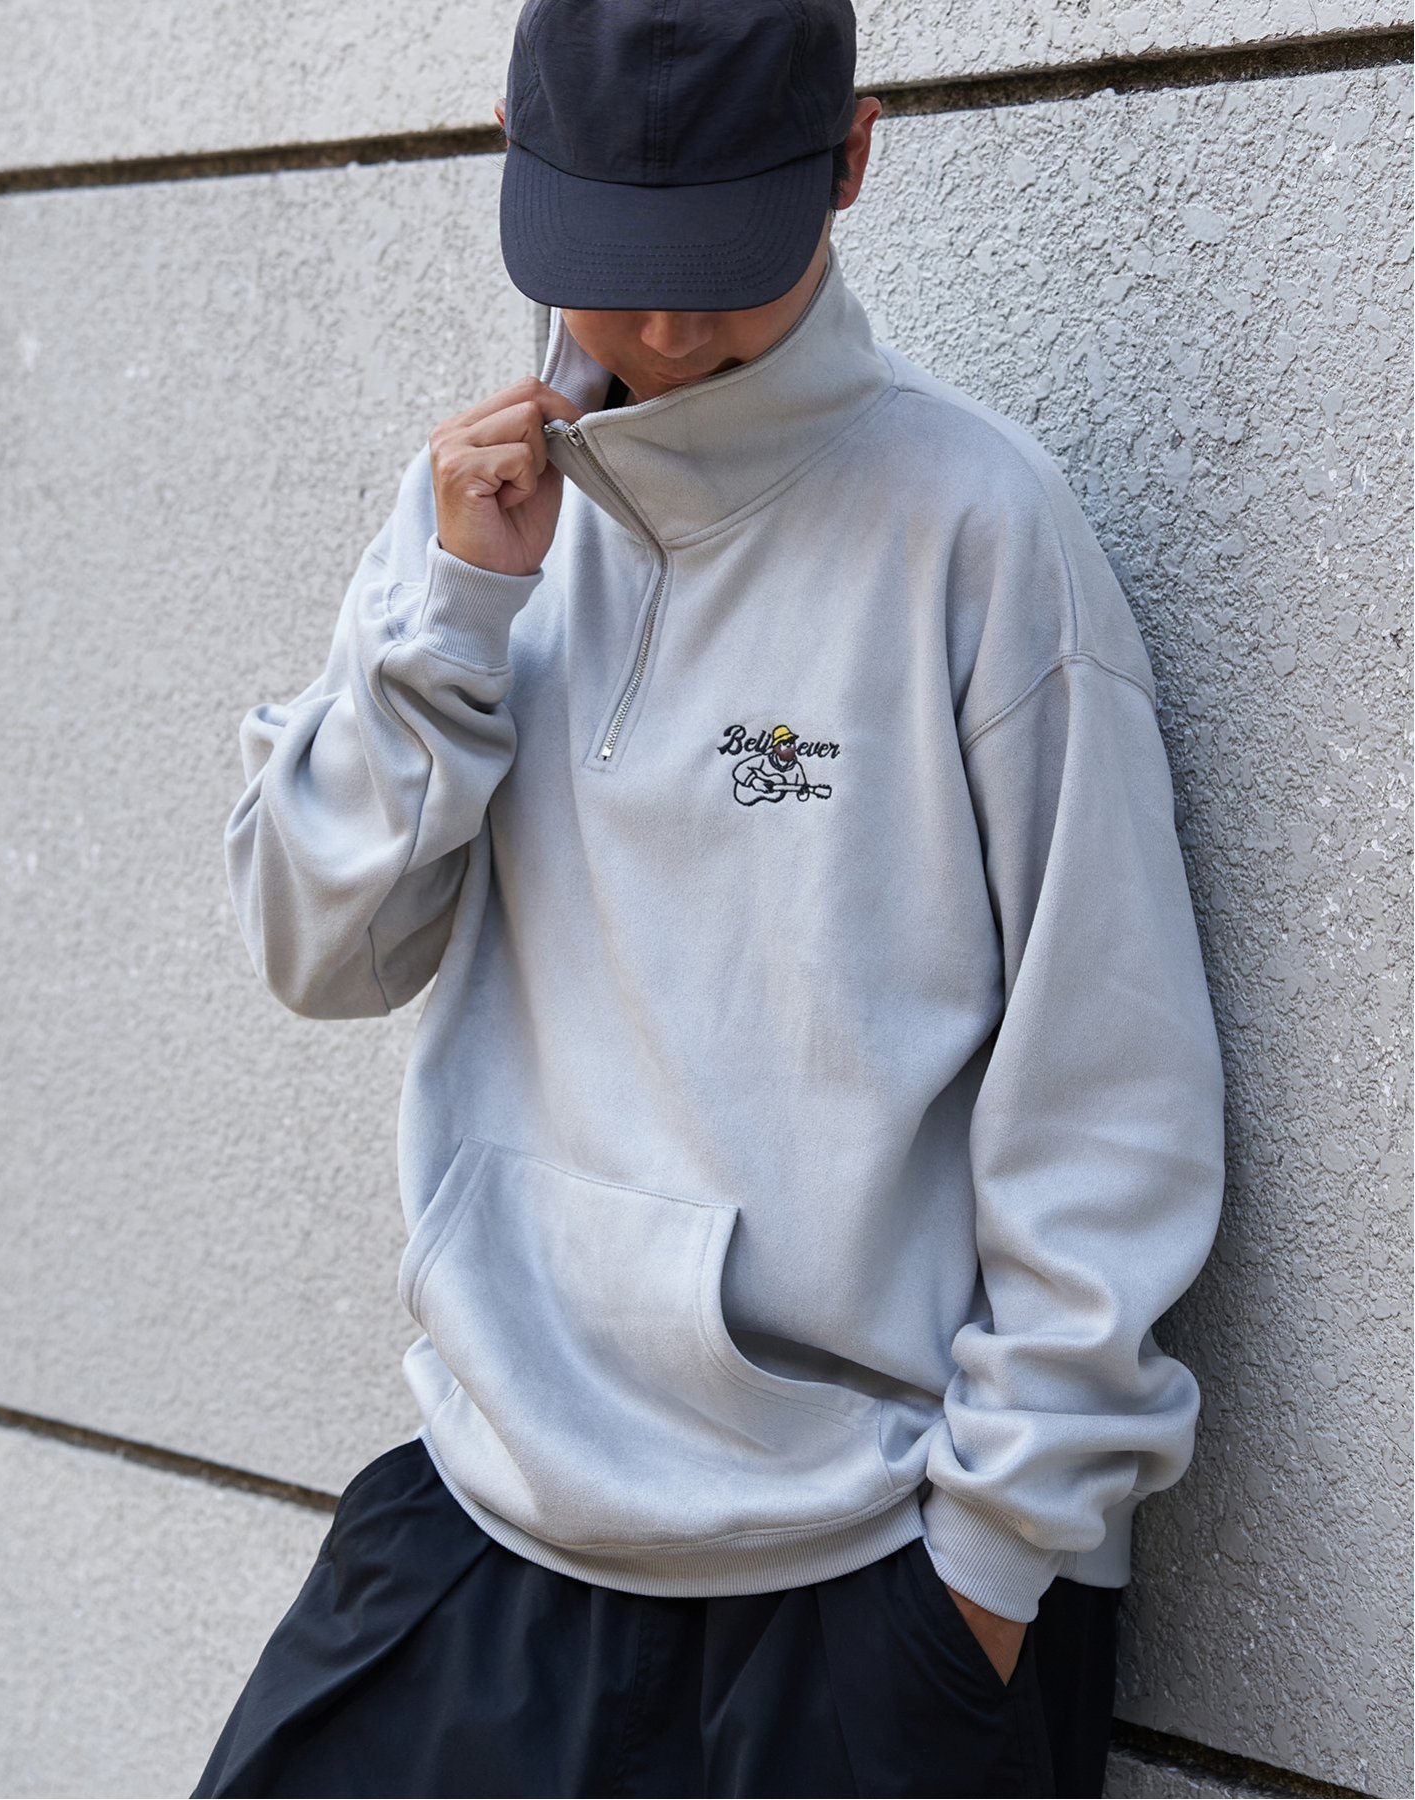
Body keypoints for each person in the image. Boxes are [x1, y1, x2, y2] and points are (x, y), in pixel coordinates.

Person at [192, 1, 1226, 1795]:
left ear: (851, 161)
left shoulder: (976, 528)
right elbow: (314, 945)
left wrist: (987, 1576)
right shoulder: (474, 521)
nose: (668, 327)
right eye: (619, 261)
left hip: (862, 1584)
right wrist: (450, 623)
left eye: (722, 259)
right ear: (518, 157)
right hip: (493, 1519)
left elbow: (1107, 1083)